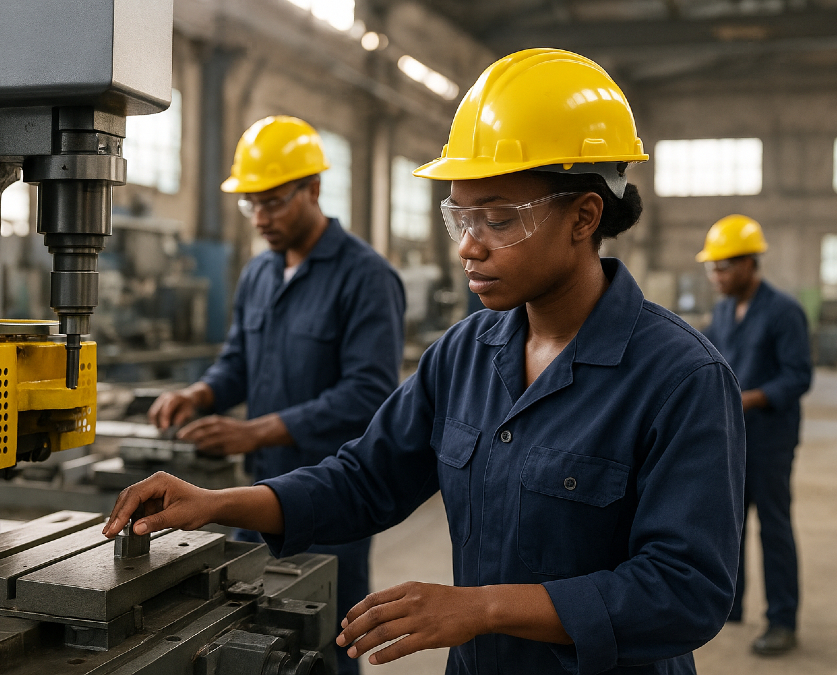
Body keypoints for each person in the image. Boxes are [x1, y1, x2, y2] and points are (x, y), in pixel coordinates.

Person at [110, 50, 745, 675]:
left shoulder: (680, 379)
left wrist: (483, 607)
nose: (469, 246)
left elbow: (687, 591)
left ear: (584, 216)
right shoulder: (463, 355)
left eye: (498, 220)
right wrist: (217, 503)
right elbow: (364, 480)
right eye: (459, 216)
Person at [147, 115, 405, 675]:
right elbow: (239, 362)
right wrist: (200, 394)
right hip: (257, 491)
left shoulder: (366, 277)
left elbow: (370, 393)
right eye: (251, 205)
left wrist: (254, 430)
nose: (261, 218)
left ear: (313, 188)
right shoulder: (258, 274)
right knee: (254, 632)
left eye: (274, 202)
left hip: (330, 498)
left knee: (327, 640)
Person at [697, 214, 812, 656]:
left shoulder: (784, 312)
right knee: (731, 524)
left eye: (722, 267)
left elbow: (798, 376)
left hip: (770, 439)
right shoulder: (725, 311)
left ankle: (782, 620)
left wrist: (752, 397)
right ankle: (733, 605)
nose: (716, 276)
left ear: (749, 264)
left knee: (774, 528)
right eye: (713, 268)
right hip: (733, 436)